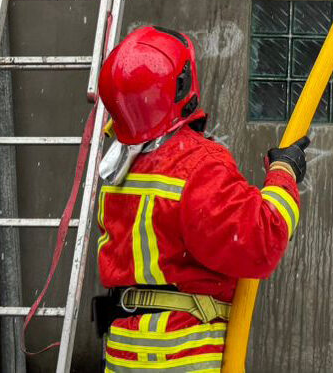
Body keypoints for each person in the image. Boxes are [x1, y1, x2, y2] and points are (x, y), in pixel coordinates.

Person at [92, 26, 311, 372]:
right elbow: (260, 241)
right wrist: (284, 172)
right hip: (181, 353)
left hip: (124, 349)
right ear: (182, 86)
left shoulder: (119, 166)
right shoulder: (197, 165)